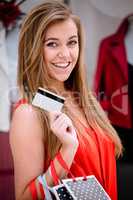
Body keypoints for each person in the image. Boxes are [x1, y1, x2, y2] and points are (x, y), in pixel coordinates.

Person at [10, 1, 122, 200]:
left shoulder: (86, 101)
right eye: (52, 44)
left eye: (72, 42)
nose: (65, 54)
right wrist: (67, 151)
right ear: (33, 49)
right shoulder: (29, 112)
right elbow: (24, 197)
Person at [94, 14, 133, 163]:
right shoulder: (108, 44)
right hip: (119, 123)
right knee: (122, 176)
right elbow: (99, 85)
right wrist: (103, 109)